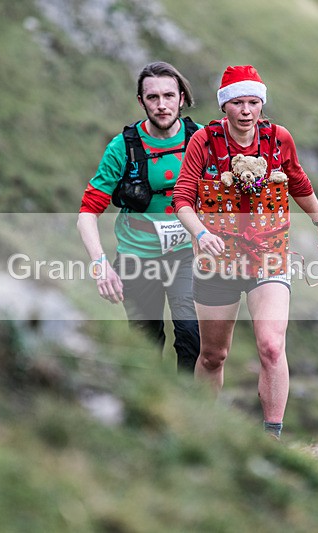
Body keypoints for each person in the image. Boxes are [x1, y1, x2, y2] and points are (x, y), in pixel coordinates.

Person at [173, 65, 318, 438]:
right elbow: (182, 196)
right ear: (224, 107)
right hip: (217, 261)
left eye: (253, 102)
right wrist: (200, 233)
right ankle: (204, 430)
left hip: (270, 256)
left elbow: (297, 181)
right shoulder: (204, 141)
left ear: (261, 104)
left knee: (271, 346)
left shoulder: (279, 139)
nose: (246, 110)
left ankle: (271, 437)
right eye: (237, 102)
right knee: (214, 355)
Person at [77, 61, 201, 374]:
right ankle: (155, 411)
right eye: (153, 97)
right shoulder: (123, 147)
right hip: (137, 256)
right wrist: (101, 266)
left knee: (191, 335)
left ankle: (188, 409)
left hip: (186, 255)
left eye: (169, 96)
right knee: (146, 344)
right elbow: (87, 214)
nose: (162, 105)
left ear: (182, 98)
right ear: (141, 101)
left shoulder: (199, 140)